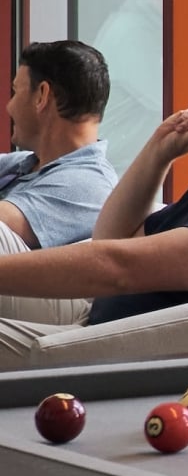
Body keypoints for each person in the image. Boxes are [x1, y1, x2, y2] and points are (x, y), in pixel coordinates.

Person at [0, 43, 188, 363]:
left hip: (104, 344)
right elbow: (110, 238)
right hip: (94, 312)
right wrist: (158, 153)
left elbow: (117, 267)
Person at [0, 41, 120, 324]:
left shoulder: (87, 183)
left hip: (48, 302)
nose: (8, 106)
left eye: (15, 92)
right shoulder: (25, 163)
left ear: (42, 95)